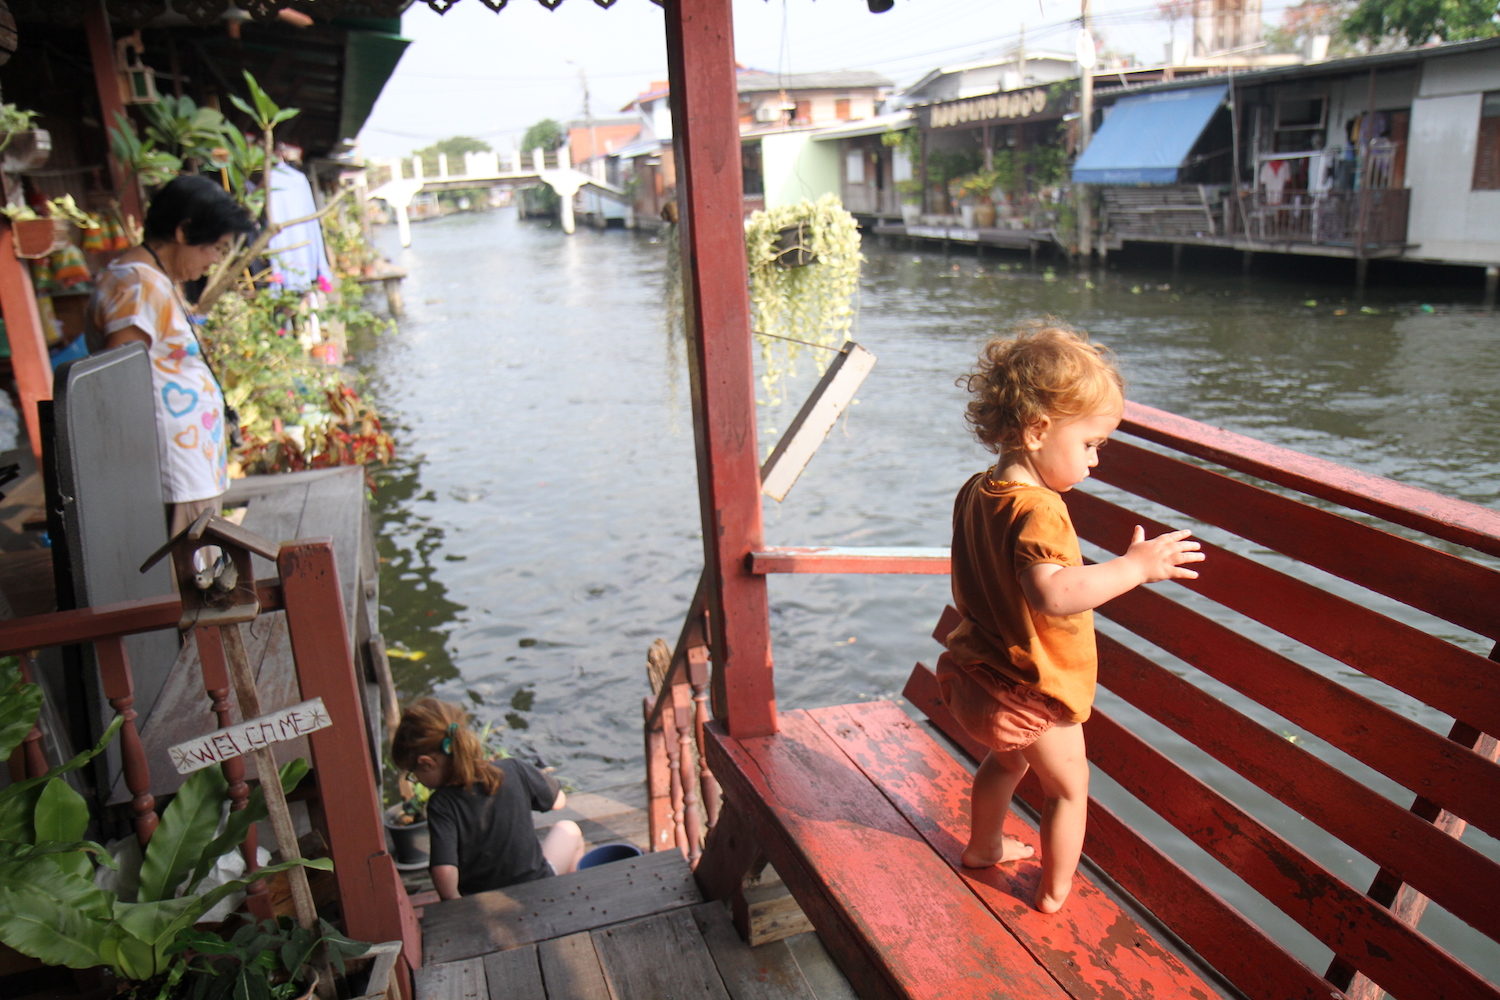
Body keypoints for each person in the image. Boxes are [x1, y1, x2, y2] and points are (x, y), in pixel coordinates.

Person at [938, 324, 1204, 913]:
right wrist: (1137, 567)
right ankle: (1054, 893)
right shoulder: (1041, 510)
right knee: (1068, 793)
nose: (1096, 457)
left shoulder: (979, 490)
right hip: (1033, 690)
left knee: (1004, 763)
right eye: (1089, 443)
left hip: (978, 675)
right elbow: (1055, 594)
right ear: (1038, 431)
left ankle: (984, 847)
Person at [85, 174, 254, 536]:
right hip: (176, 470)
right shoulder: (138, 285)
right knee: (195, 573)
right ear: (183, 232)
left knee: (205, 567)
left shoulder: (152, 280)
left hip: (190, 467)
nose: (214, 261)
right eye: (215, 247)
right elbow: (117, 385)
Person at [391, 698, 584, 900]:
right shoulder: (513, 769)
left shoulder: (442, 804)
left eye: (413, 774)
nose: (417, 780)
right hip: (537, 886)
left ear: (427, 763)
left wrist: (457, 906)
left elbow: (444, 870)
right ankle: (565, 900)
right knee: (569, 829)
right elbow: (558, 801)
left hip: (483, 903)